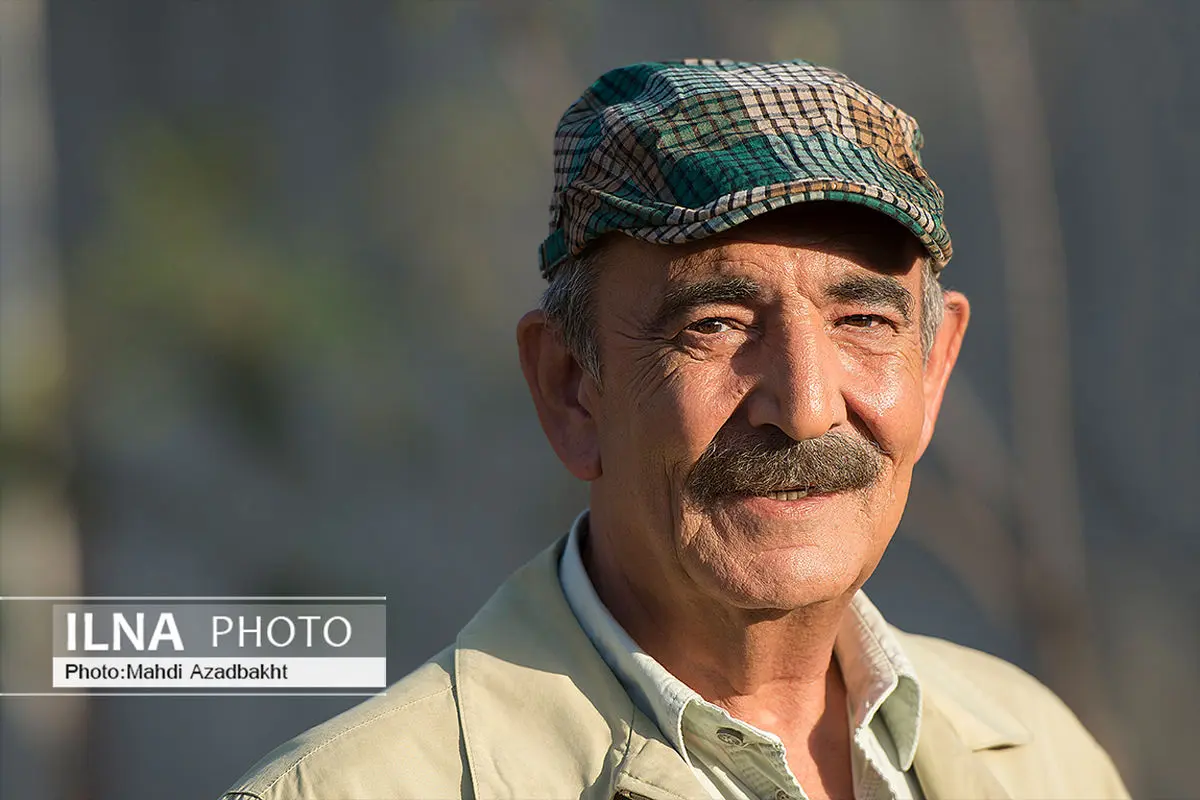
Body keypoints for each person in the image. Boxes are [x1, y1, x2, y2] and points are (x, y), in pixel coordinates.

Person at [220, 59, 1128, 800]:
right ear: (572, 388)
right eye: (717, 325)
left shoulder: (1042, 755)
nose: (806, 405)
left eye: (863, 323)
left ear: (932, 374)